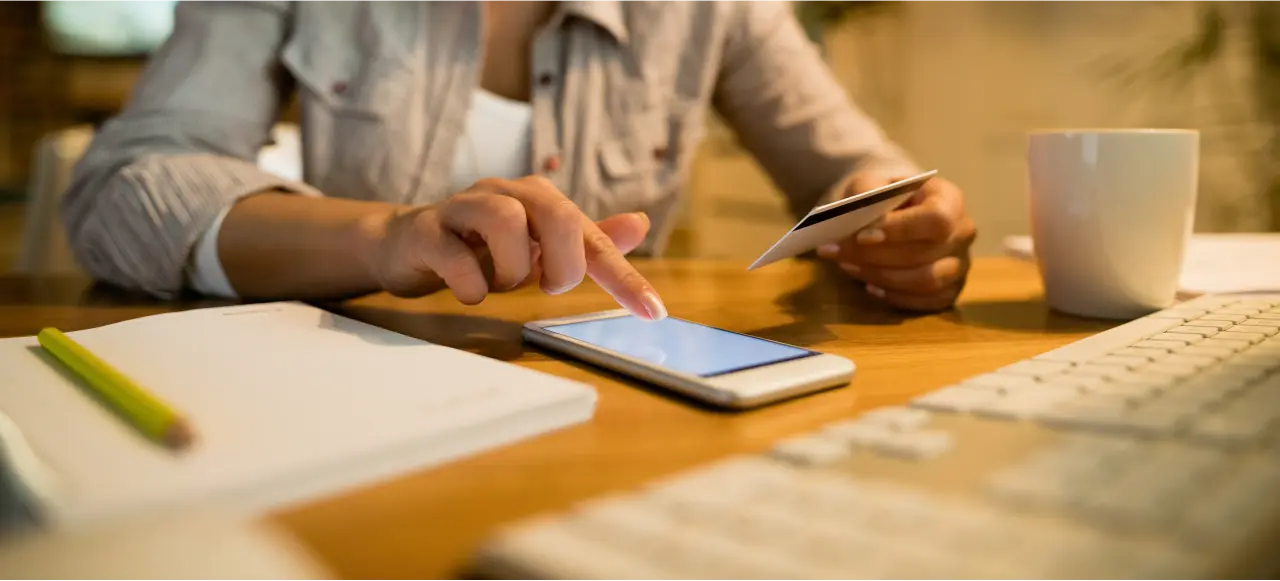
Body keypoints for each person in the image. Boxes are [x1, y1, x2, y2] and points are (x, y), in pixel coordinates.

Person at [62, 0, 977, 321]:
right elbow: (126, 186)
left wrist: (906, 225)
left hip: (613, 414)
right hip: (352, 391)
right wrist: (388, 238)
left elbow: (862, 173)